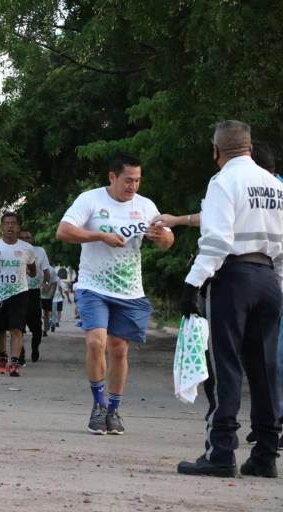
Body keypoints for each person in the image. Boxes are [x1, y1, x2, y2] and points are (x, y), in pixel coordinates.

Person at [152, 142, 283, 449]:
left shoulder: (223, 180)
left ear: (216, 150)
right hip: (268, 279)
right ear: (248, 148)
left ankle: (221, 452)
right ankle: (265, 453)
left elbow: (217, 240)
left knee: (225, 366)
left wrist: (192, 283)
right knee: (264, 368)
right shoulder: (275, 187)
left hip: (233, 278)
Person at [56, 153, 174, 435]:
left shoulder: (145, 206)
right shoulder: (91, 200)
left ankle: (114, 409)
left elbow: (168, 240)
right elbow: (64, 231)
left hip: (129, 289)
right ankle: (98, 406)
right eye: (127, 180)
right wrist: (99, 236)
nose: (133, 186)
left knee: (119, 349)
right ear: (112, 177)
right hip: (93, 286)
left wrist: (162, 238)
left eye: (137, 180)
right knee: (96, 343)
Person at [0, 213, 37, 377]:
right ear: (2, 227)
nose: (10, 226)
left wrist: (31, 273)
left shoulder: (26, 248)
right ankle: (3, 356)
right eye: (7, 223)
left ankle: (14, 363)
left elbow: (32, 266)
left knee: (17, 328)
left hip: (19, 293)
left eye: (13, 223)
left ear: (18, 227)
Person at [19, 230, 51, 363]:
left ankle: (35, 348)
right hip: (17, 292)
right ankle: (20, 354)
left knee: (37, 328)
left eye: (28, 237)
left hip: (33, 292)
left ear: (32, 239)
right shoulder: (13, 251)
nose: (26, 240)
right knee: (17, 326)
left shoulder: (40, 251)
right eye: (23, 238)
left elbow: (46, 272)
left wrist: (46, 284)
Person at [40, 266, 59, 337]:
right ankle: (43, 328)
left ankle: (44, 329)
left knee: (45, 314)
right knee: (43, 313)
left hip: (46, 296)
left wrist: (52, 294)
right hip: (40, 294)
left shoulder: (51, 270)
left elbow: (54, 282)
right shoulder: (38, 267)